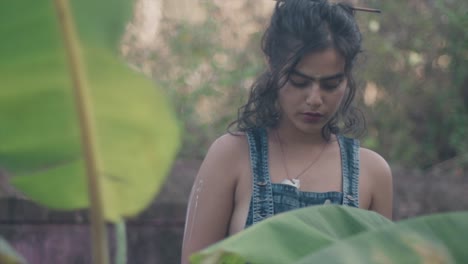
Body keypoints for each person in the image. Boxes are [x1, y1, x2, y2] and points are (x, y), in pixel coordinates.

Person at [181, 0, 393, 263]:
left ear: (347, 78)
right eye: (299, 81)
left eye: (330, 84)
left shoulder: (373, 173)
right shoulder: (232, 156)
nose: (315, 99)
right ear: (272, 65)